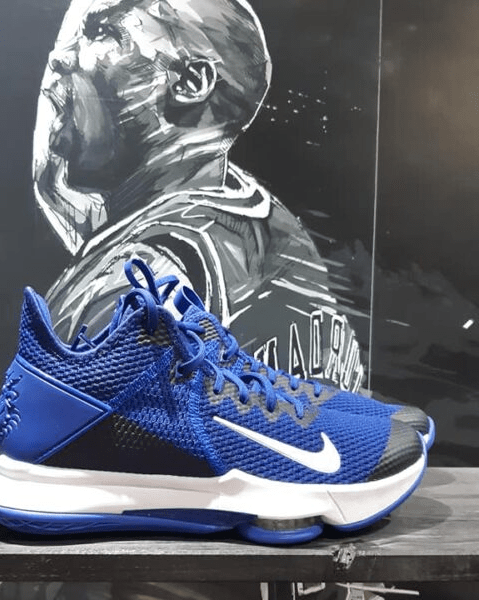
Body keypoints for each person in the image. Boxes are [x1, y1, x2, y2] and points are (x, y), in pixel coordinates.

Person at [32, 0, 365, 391]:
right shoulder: (279, 232)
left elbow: (54, 413)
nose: (60, 59)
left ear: (190, 82)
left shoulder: (143, 278)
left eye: (101, 33)